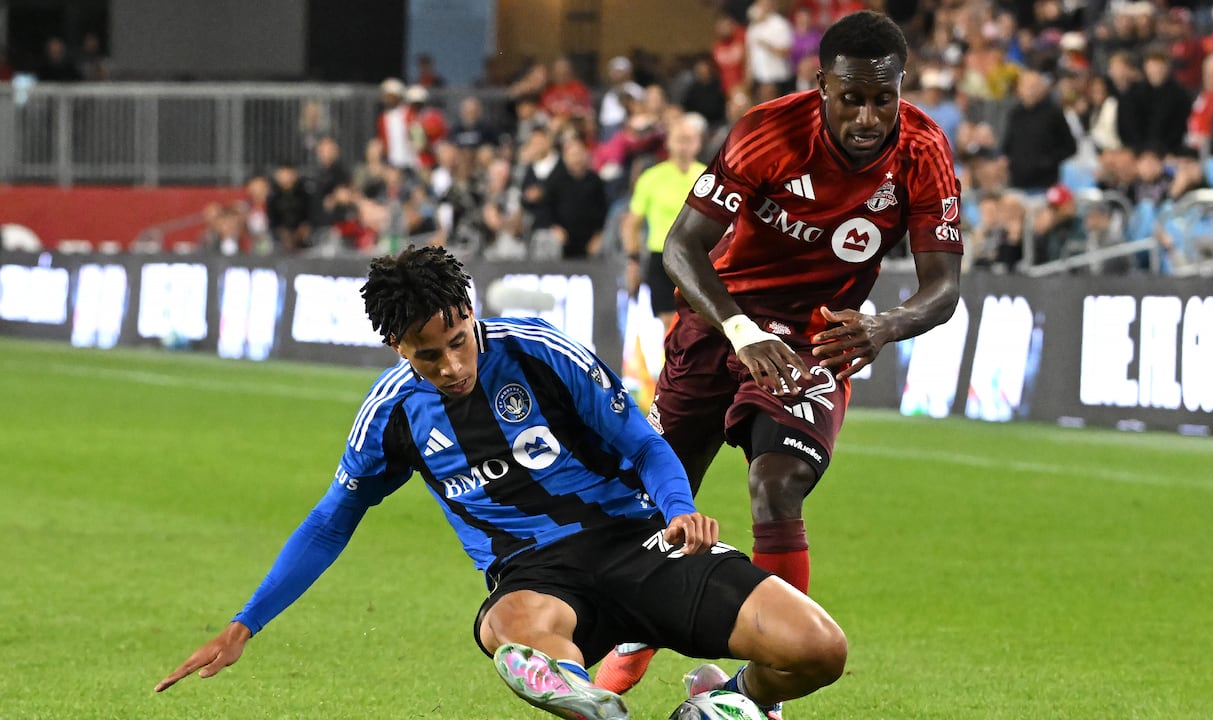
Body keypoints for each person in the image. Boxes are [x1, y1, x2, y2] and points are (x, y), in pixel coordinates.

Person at [153, 246, 846, 720]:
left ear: (469, 311)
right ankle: (580, 695)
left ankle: (721, 701)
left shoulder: (539, 350)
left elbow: (641, 441)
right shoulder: (392, 414)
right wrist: (247, 622)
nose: (453, 364)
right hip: (535, 576)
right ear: (397, 348)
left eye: (459, 340)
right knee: (513, 627)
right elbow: (332, 521)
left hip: (638, 541)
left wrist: (679, 508)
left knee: (819, 651)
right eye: (429, 355)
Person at [595, 10, 962, 695]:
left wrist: (883, 326)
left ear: (901, 88)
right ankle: (638, 629)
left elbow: (944, 286)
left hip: (813, 337)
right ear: (821, 84)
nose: (867, 116)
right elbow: (681, 247)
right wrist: (741, 329)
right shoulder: (769, 131)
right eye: (851, 97)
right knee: (659, 492)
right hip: (721, 320)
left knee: (776, 484)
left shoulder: (923, 148)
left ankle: (764, 686)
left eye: (884, 99)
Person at [622, 113, 707, 332]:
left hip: (696, 259)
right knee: (669, 323)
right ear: (669, 142)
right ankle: (670, 366)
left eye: (689, 140)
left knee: (697, 324)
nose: (683, 146)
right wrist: (633, 260)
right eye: (679, 139)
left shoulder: (706, 177)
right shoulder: (651, 177)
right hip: (661, 258)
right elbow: (632, 222)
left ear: (698, 143)